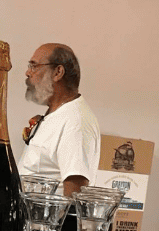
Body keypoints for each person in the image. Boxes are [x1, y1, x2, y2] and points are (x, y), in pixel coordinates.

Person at [18, 43, 100, 196]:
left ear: (58, 72)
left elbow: (74, 196)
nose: (28, 73)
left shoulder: (75, 122)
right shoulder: (59, 114)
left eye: (34, 66)